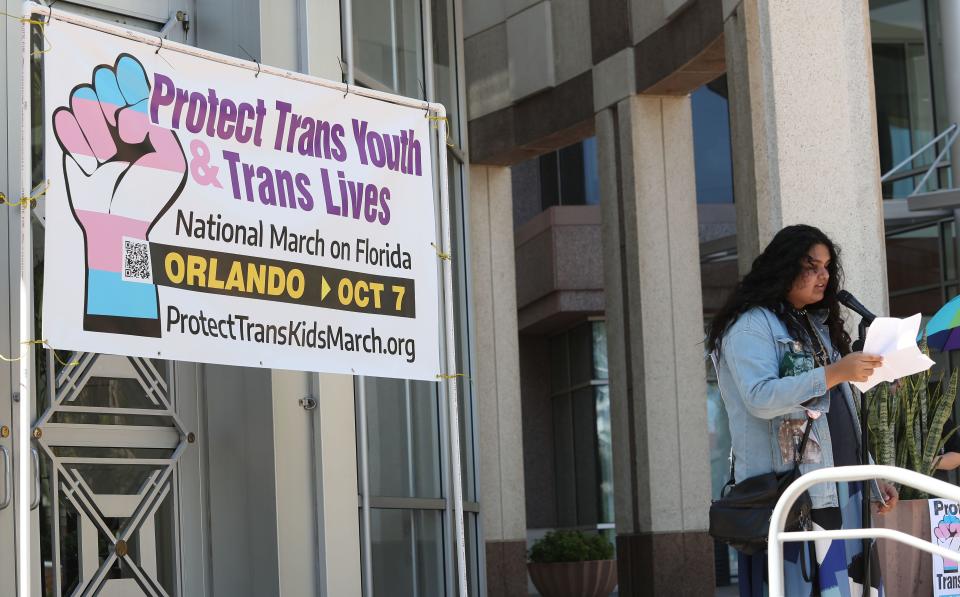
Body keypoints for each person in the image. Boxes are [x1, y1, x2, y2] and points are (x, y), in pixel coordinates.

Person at [706, 224, 899, 597]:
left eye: (827, 266)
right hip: (794, 495)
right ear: (782, 267)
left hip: (839, 490)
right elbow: (760, 397)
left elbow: (838, 417)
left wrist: (871, 479)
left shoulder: (815, 325)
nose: (823, 275)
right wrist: (833, 372)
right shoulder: (749, 326)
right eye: (812, 265)